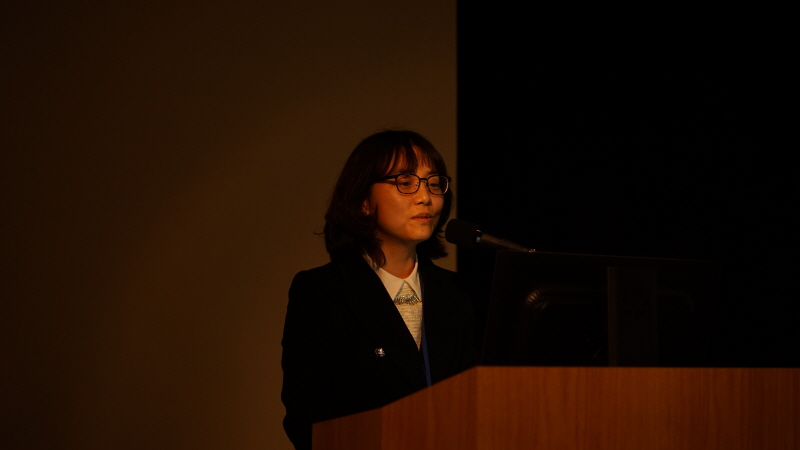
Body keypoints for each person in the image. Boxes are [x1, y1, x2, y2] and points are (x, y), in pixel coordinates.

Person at [280, 130, 477, 450]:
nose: (425, 197)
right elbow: (306, 418)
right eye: (405, 182)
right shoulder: (322, 292)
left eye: (433, 183)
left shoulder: (454, 293)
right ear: (363, 201)